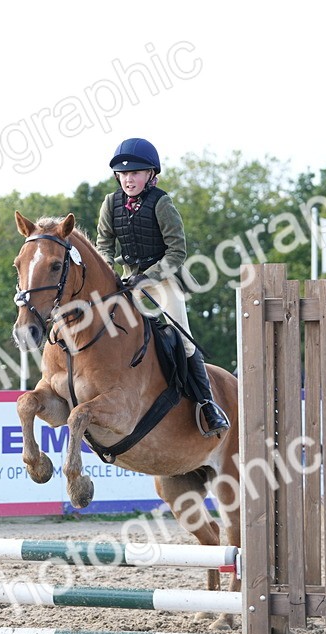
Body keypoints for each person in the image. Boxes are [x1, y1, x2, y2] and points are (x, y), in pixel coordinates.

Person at [95, 136, 228, 436]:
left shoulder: (162, 204)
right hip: (126, 280)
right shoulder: (110, 203)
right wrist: (109, 271)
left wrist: (149, 277)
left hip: (162, 282)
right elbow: (104, 242)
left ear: (150, 174)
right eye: (124, 174)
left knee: (185, 340)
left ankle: (207, 405)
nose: (129, 179)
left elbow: (177, 251)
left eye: (136, 173)